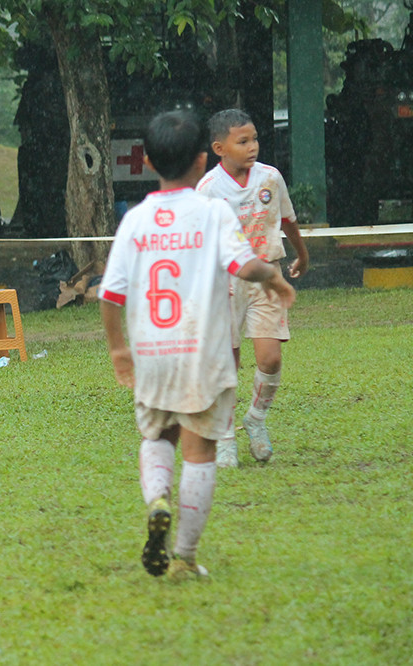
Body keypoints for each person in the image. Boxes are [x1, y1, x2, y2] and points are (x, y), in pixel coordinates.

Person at [98, 111, 296, 580]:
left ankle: (157, 500)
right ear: (203, 158)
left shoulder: (137, 220)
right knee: (201, 450)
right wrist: (274, 278)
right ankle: (185, 556)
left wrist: (118, 350)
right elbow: (245, 265)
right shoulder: (212, 211)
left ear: (147, 160)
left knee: (157, 436)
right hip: (202, 354)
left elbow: (110, 294)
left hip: (151, 355)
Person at [196, 109, 309, 468]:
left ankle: (256, 419)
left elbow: (288, 221)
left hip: (267, 277)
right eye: (242, 141)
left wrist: (302, 256)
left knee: (270, 357)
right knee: (227, 362)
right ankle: (225, 434)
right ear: (220, 148)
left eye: (255, 139)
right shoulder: (208, 189)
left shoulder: (270, 178)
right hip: (223, 283)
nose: (252, 147)